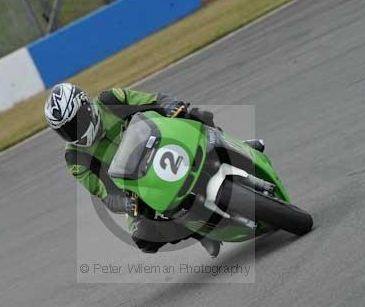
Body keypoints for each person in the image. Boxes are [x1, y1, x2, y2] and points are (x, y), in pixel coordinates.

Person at [44, 83, 265, 258]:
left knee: (196, 114)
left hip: (162, 142)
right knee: (143, 238)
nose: (74, 132)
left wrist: (171, 105)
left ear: (87, 106)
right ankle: (200, 232)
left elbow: (153, 100)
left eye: (76, 122)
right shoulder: (74, 157)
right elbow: (103, 194)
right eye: (65, 130)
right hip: (137, 186)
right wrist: (124, 203)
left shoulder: (110, 99)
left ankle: (236, 145)